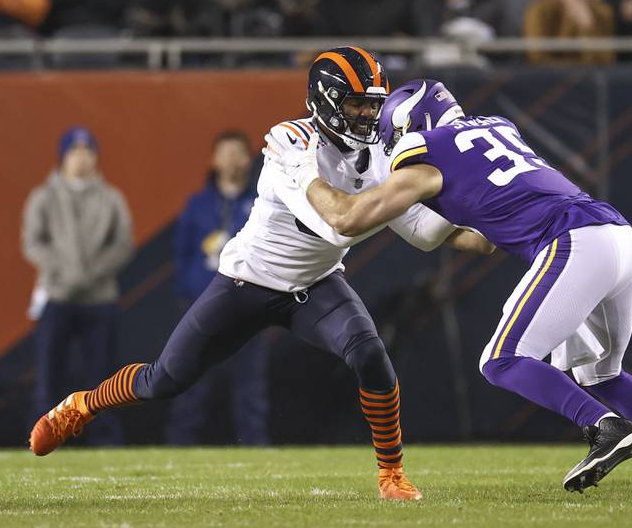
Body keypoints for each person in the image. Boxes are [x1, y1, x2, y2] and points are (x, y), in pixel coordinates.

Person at [28, 47, 492, 501]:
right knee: (164, 379)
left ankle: (391, 474)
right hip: (246, 282)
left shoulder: (376, 156)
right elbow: (332, 224)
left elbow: (423, 231)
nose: (369, 116)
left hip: (314, 284)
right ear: (327, 101)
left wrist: (494, 226)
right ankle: (81, 405)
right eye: (356, 104)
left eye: (373, 104)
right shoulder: (291, 141)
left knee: (371, 357)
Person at [284, 78, 632, 497]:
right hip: (619, 236)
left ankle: (604, 427)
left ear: (408, 126)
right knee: (603, 374)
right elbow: (484, 234)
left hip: (573, 242)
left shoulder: (424, 153)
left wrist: (303, 173)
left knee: (501, 360)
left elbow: (348, 218)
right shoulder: (499, 127)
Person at [22, 126, 134, 447]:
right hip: (57, 296)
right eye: (75, 152)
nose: (82, 159)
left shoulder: (112, 197)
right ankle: (39, 441)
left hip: (100, 299)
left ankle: (105, 441)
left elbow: (123, 244)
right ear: (63, 157)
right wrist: (67, 272)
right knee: (49, 375)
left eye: (88, 152)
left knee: (103, 379)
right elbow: (33, 242)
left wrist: (91, 274)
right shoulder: (43, 196)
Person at [168, 130, 269, 445]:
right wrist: (190, 292)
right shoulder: (197, 204)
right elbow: (182, 254)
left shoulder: (263, 202)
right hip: (202, 306)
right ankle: (179, 447)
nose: (231, 159)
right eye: (224, 153)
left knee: (250, 384)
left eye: (238, 152)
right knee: (190, 381)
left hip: (247, 307)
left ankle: (255, 447)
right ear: (213, 160)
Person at [524, 0, 616, 64]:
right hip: (551, 79)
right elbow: (538, 57)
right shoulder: (540, 9)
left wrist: (588, 26)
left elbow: (606, 59)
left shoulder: (603, 11)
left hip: (592, 78)